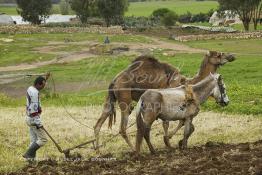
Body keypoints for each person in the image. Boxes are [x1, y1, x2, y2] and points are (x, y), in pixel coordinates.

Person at [23, 73, 50, 161]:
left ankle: (31, 161)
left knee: (34, 140)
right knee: (43, 139)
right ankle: (28, 153)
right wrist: (39, 123)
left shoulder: (30, 88)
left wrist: (46, 78)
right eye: (43, 85)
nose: (43, 87)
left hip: (28, 118)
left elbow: (39, 83)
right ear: (39, 84)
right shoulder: (35, 93)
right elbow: (34, 110)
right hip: (34, 119)